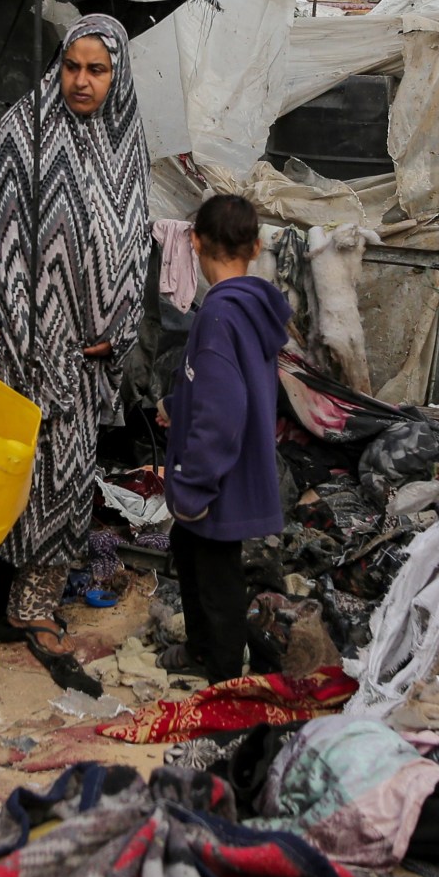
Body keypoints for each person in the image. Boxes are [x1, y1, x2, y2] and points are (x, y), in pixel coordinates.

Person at [0, 14, 149, 679]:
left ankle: (33, 601)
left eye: (97, 70)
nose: (82, 81)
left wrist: (116, 331)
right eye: (73, 66)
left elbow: (132, 244)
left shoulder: (127, 146)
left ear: (117, 77)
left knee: (63, 479)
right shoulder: (22, 132)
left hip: (77, 359)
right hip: (12, 342)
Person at [160, 194, 292, 683]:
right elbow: (224, 385)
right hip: (235, 468)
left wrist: (195, 485)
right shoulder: (250, 309)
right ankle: (202, 651)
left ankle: (221, 676)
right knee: (191, 554)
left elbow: (222, 410)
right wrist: (177, 407)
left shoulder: (218, 316)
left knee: (217, 578)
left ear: (193, 241)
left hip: (219, 480)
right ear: (255, 247)